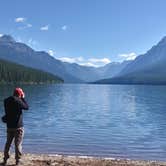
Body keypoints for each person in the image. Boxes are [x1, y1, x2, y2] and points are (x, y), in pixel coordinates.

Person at [2, 88, 29, 166]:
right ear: (20, 94)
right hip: (18, 127)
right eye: (21, 94)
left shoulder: (6, 100)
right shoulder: (18, 100)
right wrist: (23, 98)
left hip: (9, 126)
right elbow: (26, 107)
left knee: (8, 143)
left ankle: (5, 160)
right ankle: (17, 161)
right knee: (18, 144)